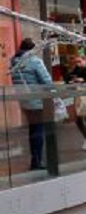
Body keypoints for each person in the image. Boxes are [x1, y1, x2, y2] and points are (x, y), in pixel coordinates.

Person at [10, 38, 54, 170]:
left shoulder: (14, 61)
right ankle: (37, 160)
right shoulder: (34, 61)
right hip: (37, 100)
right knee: (38, 129)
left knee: (33, 129)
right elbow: (47, 81)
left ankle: (35, 158)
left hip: (24, 99)